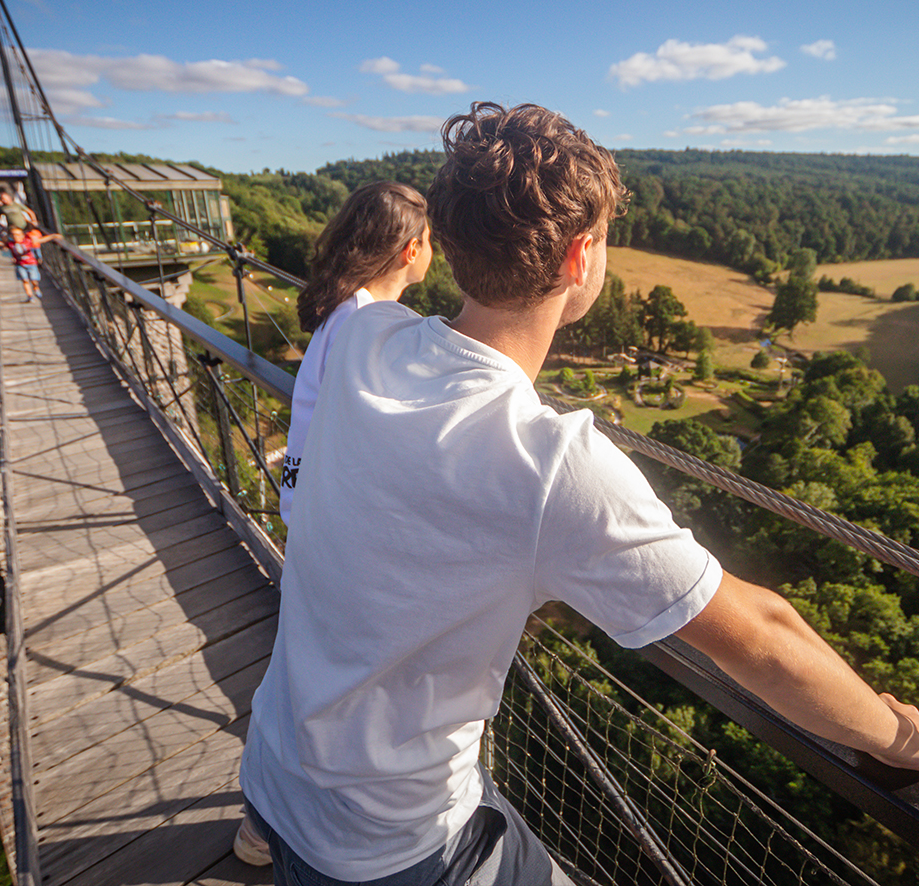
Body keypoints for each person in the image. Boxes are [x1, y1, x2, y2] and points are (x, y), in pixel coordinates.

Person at [237, 102, 919, 885]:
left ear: (449, 245)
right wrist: (899, 738)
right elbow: (764, 637)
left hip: (275, 769)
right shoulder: (550, 463)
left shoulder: (360, 338)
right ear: (581, 257)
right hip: (386, 842)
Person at [235, 181, 432, 868]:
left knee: (297, 676)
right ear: (413, 249)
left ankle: (261, 822)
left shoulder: (343, 315)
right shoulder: (374, 325)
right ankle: (291, 826)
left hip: (311, 518)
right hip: (341, 537)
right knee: (324, 692)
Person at [279, 180, 432, 527]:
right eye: (429, 242)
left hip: (309, 502)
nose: (431, 252)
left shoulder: (348, 307)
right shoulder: (362, 320)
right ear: (411, 250)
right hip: (326, 513)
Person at [0, 225, 61, 302]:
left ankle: (35, 287)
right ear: (10, 236)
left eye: (18, 234)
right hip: (20, 265)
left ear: (23, 235)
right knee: (25, 280)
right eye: (13, 235)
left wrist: (53, 236)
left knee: (34, 279)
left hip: (31, 264)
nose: (16, 236)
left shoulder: (28, 241)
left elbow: (42, 240)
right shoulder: (10, 244)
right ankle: (30, 296)